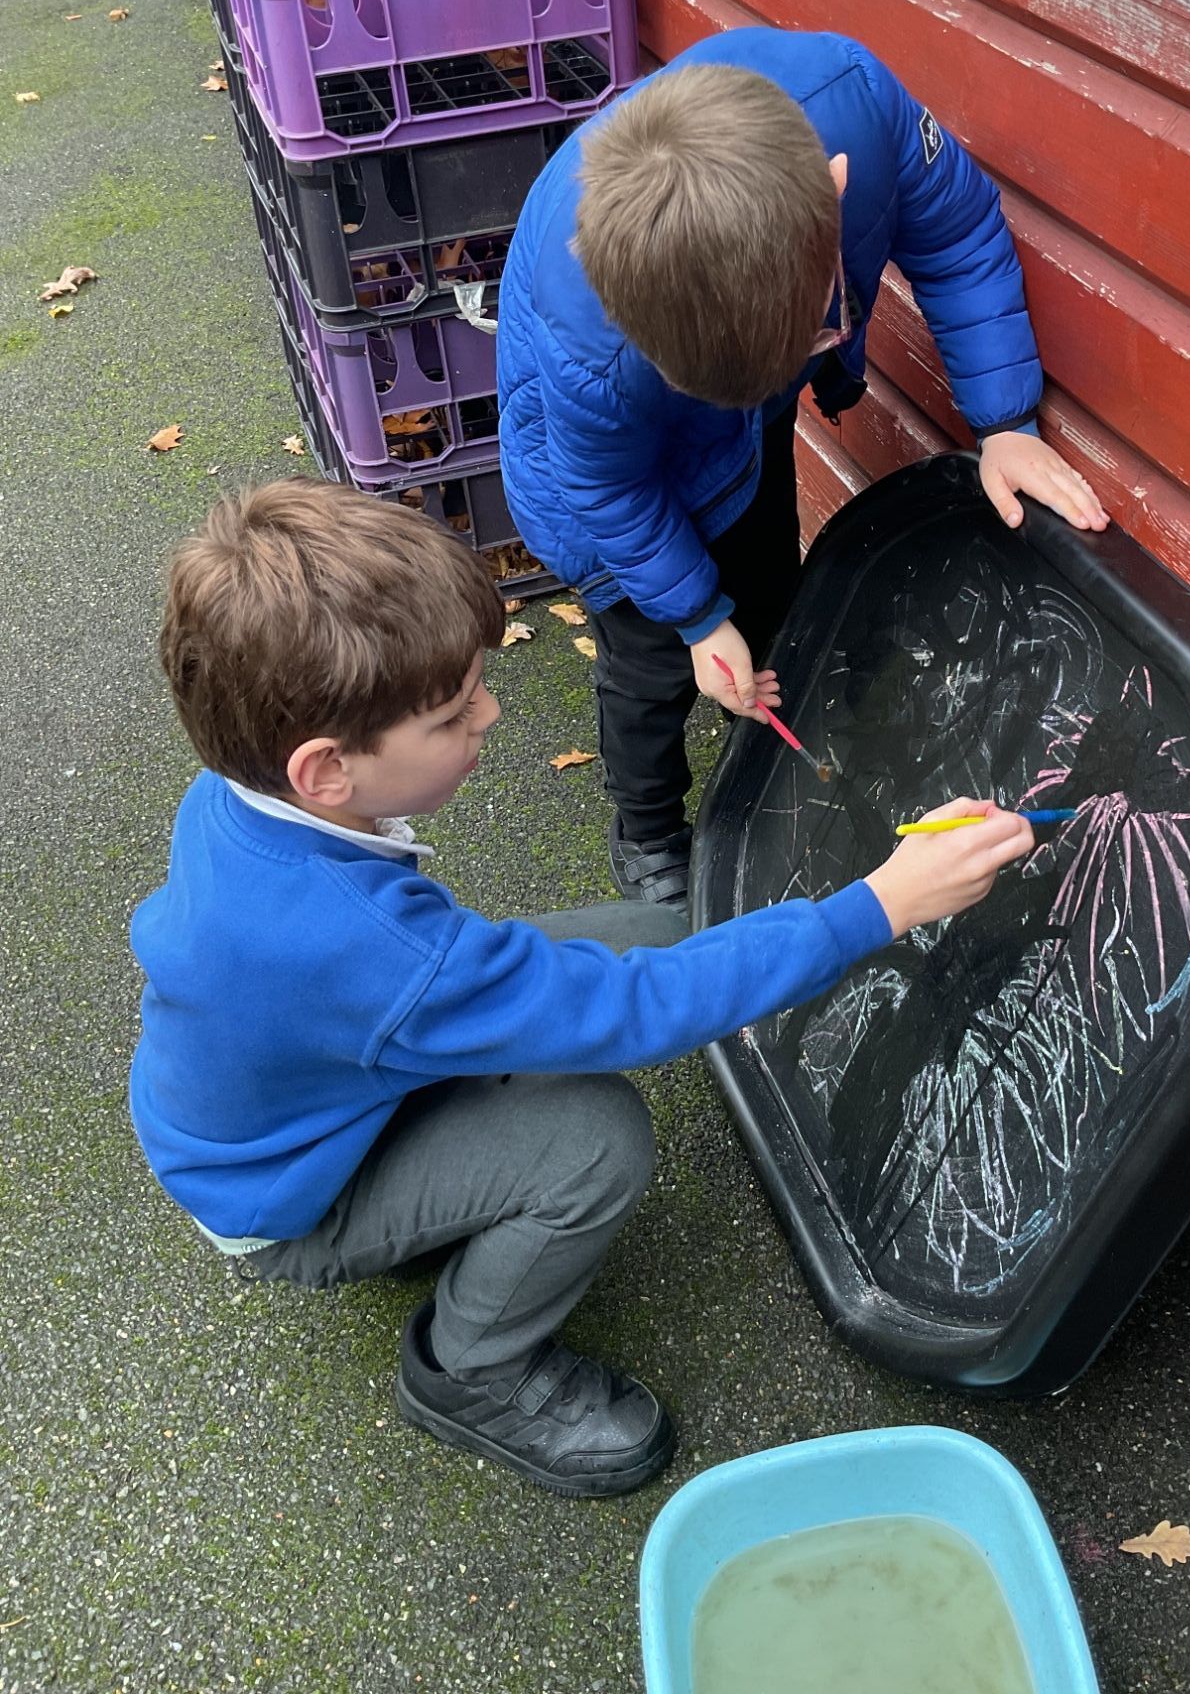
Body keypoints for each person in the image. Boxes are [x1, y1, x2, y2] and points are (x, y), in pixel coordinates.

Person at [128, 479, 1035, 1498]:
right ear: (326, 770)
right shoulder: (374, 951)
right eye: (452, 711)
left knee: (660, 935)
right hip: (290, 1199)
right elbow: (632, 1013)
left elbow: (523, 976)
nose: (491, 712)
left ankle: (446, 1179)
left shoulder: (239, 789)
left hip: (301, 1087)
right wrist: (875, 908)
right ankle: (469, 1369)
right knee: (595, 1140)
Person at [497, 27, 1108, 910]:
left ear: (837, 191)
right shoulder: (589, 339)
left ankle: (763, 744)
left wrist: (1004, 421)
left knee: (767, 583)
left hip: (735, 423)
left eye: (821, 329)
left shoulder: (862, 107)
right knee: (650, 656)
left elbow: (961, 236)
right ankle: (648, 827)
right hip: (595, 481)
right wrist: (698, 621)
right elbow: (608, 488)